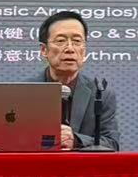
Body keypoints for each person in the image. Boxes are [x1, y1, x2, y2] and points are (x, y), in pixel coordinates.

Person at [37, 10, 121, 151]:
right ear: (44, 50)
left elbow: (112, 144)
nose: (70, 49)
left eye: (77, 41)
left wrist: (76, 140)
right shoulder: (23, 92)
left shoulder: (101, 94)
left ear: (84, 50)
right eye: (61, 41)